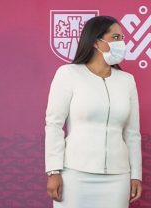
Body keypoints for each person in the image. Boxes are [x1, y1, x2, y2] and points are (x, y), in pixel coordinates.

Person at [45, 16, 142, 208]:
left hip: (118, 176)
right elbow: (54, 124)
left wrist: (136, 174)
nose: (121, 43)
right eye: (115, 37)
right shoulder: (68, 74)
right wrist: (53, 171)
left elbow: (132, 133)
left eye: (122, 37)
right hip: (74, 174)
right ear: (97, 42)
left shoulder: (127, 81)